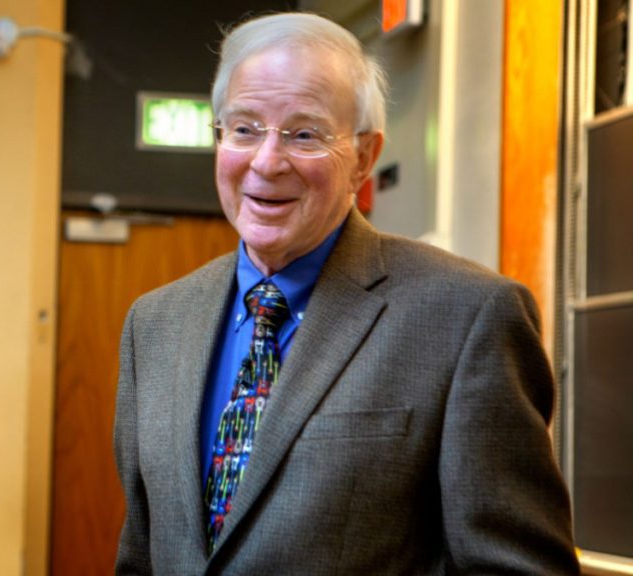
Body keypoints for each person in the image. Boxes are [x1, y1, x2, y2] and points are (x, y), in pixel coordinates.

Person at [112, 11, 579, 575]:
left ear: (363, 156)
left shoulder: (467, 317)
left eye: (304, 134)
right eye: (244, 128)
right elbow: (141, 555)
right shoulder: (155, 324)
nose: (266, 161)